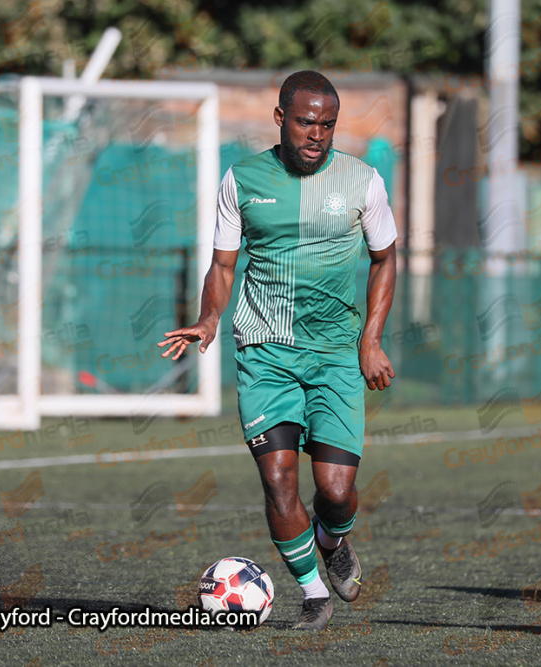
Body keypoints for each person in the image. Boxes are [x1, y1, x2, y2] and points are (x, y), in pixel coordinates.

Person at [158, 70, 397, 630]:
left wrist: (371, 341)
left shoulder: (363, 181)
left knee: (335, 492)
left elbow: (385, 259)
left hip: (337, 355)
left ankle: (333, 539)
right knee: (278, 478)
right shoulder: (242, 180)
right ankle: (314, 593)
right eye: (307, 122)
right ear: (281, 119)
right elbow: (223, 265)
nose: (318, 134)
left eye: (329, 124)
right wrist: (209, 318)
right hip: (265, 352)